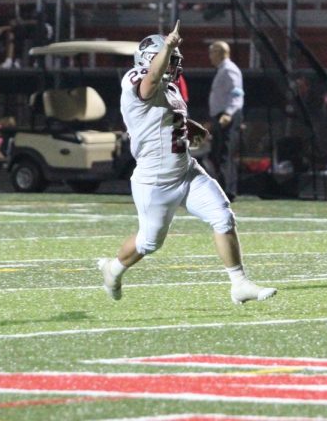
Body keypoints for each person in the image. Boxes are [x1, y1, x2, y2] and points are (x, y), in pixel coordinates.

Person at [98, 21, 277, 305]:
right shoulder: (137, 77)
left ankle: (239, 283)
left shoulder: (170, 88)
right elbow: (148, 86)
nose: (174, 64)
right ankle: (114, 269)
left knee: (223, 216)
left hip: (186, 171)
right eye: (169, 59)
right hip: (155, 180)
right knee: (149, 242)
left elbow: (163, 116)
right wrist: (167, 46)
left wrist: (189, 127)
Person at [208, 40, 244, 202]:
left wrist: (228, 113)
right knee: (218, 152)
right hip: (220, 115)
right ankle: (223, 188)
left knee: (224, 153)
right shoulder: (222, 70)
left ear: (221, 53)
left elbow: (237, 94)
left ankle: (227, 190)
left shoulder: (229, 70)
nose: (210, 56)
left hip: (227, 115)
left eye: (213, 52)